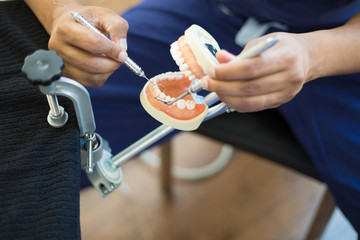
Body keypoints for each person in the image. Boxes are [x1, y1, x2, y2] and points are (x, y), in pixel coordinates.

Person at [25, 0, 360, 234]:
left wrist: (313, 55)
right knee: (34, 145)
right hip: (210, 10)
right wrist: (59, 9)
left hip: (337, 42)